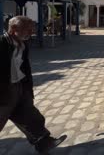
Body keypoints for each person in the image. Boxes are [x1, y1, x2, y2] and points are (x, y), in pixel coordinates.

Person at [0, 16, 66, 154]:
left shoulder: (22, 45)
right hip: (3, 91)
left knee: (31, 116)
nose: (31, 33)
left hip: (19, 86)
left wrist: (27, 89)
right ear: (13, 29)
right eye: (27, 30)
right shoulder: (2, 44)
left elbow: (25, 67)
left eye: (32, 30)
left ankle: (44, 142)